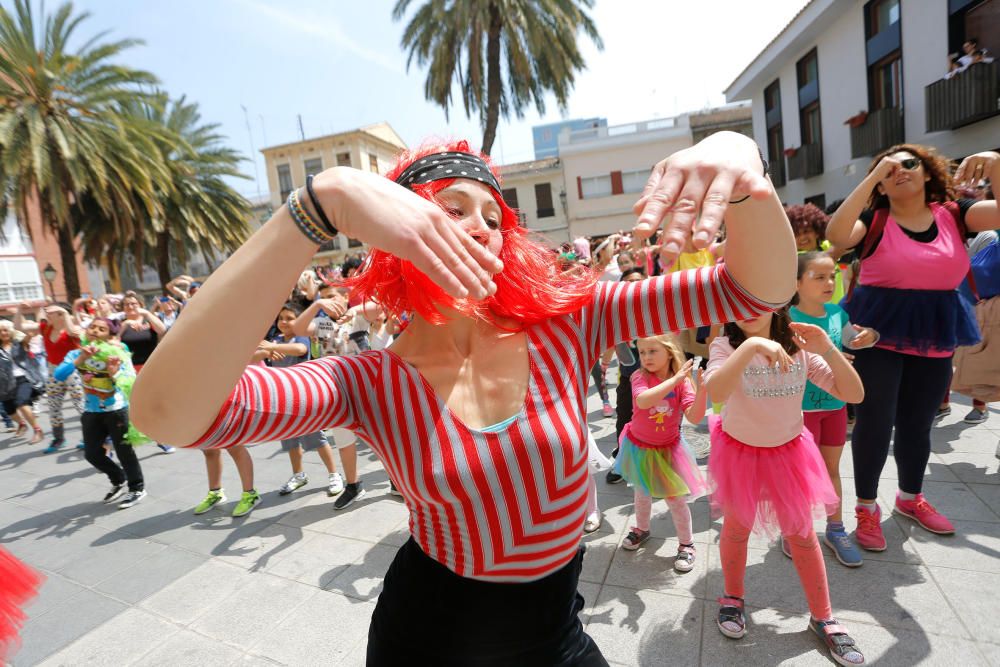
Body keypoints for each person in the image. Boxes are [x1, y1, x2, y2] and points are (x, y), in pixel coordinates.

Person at [131, 131, 797, 665]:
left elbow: (755, 290)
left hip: (556, 636)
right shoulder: (367, 381)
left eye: (492, 214)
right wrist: (315, 206)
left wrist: (747, 174)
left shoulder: (572, 319)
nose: (479, 225)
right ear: (392, 233)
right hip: (429, 640)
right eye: (449, 209)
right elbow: (168, 415)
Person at [826, 144, 1000, 547]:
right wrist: (871, 179)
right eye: (888, 170)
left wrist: (995, 164)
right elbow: (836, 235)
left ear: (927, 173)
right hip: (877, 334)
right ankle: (866, 508)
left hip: (934, 330)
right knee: (874, 422)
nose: (899, 171)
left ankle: (909, 498)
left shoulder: (956, 215)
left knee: (917, 424)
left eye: (909, 164)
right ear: (881, 186)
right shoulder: (873, 219)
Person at [705, 309, 866, 665]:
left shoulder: (799, 346)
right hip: (739, 454)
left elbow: (853, 393)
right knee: (736, 528)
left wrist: (826, 348)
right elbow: (714, 391)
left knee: (802, 535)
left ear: (778, 303)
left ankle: (824, 617)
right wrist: (750, 347)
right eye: (739, 302)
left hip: (789, 454)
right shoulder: (724, 345)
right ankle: (733, 598)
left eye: (758, 300)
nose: (747, 310)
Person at [789, 252, 880, 567]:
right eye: (819, 277)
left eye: (831, 276)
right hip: (799, 411)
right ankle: (798, 530)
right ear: (797, 282)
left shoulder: (837, 314)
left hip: (835, 406)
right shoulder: (787, 318)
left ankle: (836, 529)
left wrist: (868, 337)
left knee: (831, 470)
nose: (829, 283)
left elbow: (853, 342)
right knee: (800, 475)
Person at [614, 335, 707, 574]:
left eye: (652, 351)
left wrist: (702, 391)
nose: (646, 357)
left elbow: (695, 417)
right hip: (639, 447)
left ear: (669, 352)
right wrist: (676, 379)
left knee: (676, 500)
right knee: (641, 493)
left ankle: (687, 544)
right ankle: (642, 529)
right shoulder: (639, 376)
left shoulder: (682, 383)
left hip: (669, 450)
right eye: (642, 352)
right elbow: (643, 401)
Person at [290, 282, 369, 509]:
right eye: (324, 297)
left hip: (367, 388)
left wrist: (355, 310)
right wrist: (317, 305)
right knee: (344, 442)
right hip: (339, 392)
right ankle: (354, 485)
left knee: (383, 437)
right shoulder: (323, 324)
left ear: (345, 297)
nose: (329, 301)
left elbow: (379, 307)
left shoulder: (359, 317)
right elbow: (297, 328)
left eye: (332, 296)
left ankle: (396, 481)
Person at [54, 318, 146, 509]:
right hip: (91, 411)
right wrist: (80, 359)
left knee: (124, 452)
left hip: (116, 410)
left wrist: (114, 373)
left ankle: (137, 488)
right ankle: (118, 478)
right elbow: (59, 375)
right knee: (92, 454)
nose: (95, 331)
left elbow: (131, 379)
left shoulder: (118, 353)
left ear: (110, 335)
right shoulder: (75, 353)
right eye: (92, 327)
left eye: (101, 329)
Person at [262, 302, 345, 497]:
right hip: (281, 399)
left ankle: (334, 474)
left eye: (290, 318)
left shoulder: (301, 337)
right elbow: (263, 354)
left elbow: (299, 349)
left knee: (316, 437)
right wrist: (270, 348)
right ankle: (298, 475)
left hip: (303, 397)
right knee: (290, 440)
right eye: (281, 318)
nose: (284, 322)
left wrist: (273, 347)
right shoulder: (275, 339)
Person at [13, 302, 83, 452]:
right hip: (53, 370)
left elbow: (73, 333)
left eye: (49, 312)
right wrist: (19, 310)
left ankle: (90, 437)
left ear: (60, 314)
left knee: (81, 405)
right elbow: (19, 327)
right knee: (53, 406)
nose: (45, 314)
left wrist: (64, 314)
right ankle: (58, 439)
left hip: (72, 370)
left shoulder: (73, 327)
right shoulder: (45, 328)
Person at [119, 292, 174, 454]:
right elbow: (114, 342)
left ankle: (160, 437)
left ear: (140, 305)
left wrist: (147, 313)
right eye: (127, 304)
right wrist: (125, 324)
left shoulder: (150, 319)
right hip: (130, 369)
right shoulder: (121, 324)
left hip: (151, 367)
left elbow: (162, 330)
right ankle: (116, 441)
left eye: (134, 303)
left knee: (155, 404)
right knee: (136, 406)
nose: (130, 307)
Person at [606, 267, 645, 485]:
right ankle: (622, 463)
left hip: (658, 379)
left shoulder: (657, 310)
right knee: (624, 422)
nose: (633, 286)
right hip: (628, 379)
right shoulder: (616, 313)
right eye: (628, 282)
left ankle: (664, 465)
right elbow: (615, 346)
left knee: (662, 423)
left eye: (638, 281)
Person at [0, 322, 45, 444]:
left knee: (22, 403)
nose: (3, 333)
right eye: (0, 331)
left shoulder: (18, 343)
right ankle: (21, 423)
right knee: (9, 410)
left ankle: (37, 430)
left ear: (10, 331)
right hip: (5, 383)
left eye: (5, 330)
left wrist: (29, 334)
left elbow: (26, 339)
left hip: (23, 379)